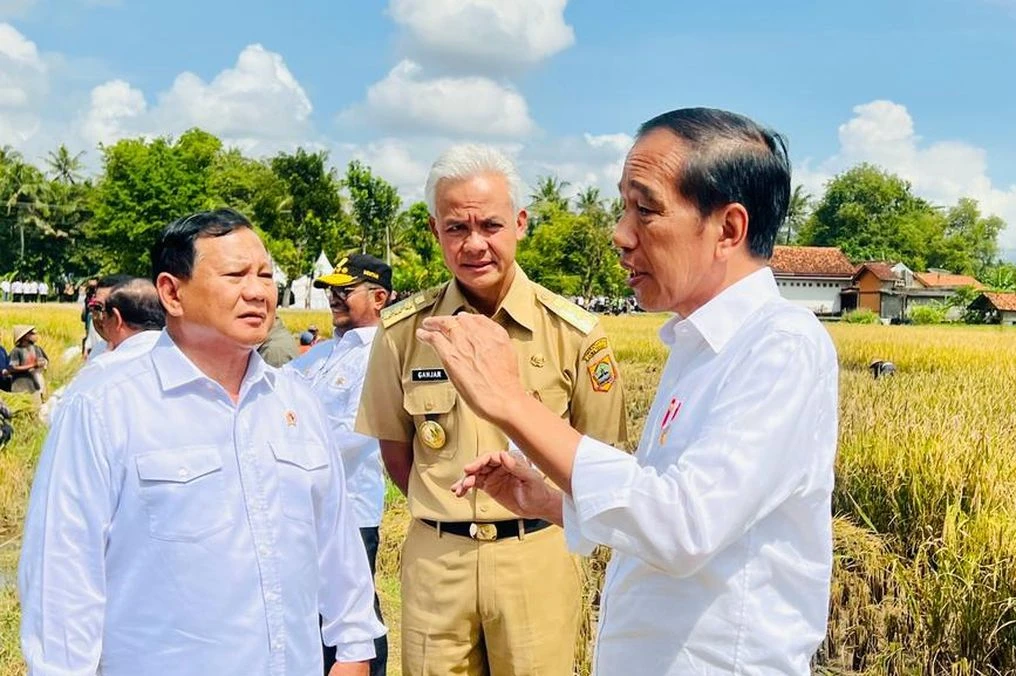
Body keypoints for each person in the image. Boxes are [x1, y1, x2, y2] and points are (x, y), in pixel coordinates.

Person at [418, 108, 839, 675]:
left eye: (646, 209)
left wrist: (512, 403)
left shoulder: (780, 345)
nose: (620, 233)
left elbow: (683, 528)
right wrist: (548, 500)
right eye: (624, 206)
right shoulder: (696, 346)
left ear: (728, 230)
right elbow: (656, 506)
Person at [18, 208, 386, 676]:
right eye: (235, 275)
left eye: (266, 275)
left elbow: (336, 539)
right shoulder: (107, 404)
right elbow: (63, 574)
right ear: (172, 292)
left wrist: (353, 647)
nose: (257, 291)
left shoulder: (295, 401)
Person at [356, 144, 628, 676]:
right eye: (456, 228)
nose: (475, 244)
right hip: (438, 559)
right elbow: (397, 454)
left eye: (491, 225)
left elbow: (600, 459)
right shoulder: (403, 333)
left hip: (537, 555)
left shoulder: (573, 334)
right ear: (435, 232)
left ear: (520, 224)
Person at [288, 253, 393, 676]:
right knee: (312, 613)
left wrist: (288, 449)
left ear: (380, 297)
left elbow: (356, 432)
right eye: (331, 289)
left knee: (355, 617)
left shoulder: (383, 356)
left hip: (350, 509)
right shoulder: (318, 355)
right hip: (301, 509)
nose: (334, 298)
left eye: (346, 290)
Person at [45, 277, 165, 426]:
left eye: (105, 309)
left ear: (117, 317)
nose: (100, 317)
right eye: (95, 308)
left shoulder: (105, 366)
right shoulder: (99, 351)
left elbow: (68, 417)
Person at [8, 326, 49, 403]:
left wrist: (43, 363)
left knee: (37, 409)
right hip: (21, 387)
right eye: (32, 333)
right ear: (24, 336)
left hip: (35, 387)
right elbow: (12, 368)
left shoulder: (36, 348)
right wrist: (33, 365)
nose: (35, 336)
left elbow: (44, 360)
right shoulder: (16, 351)